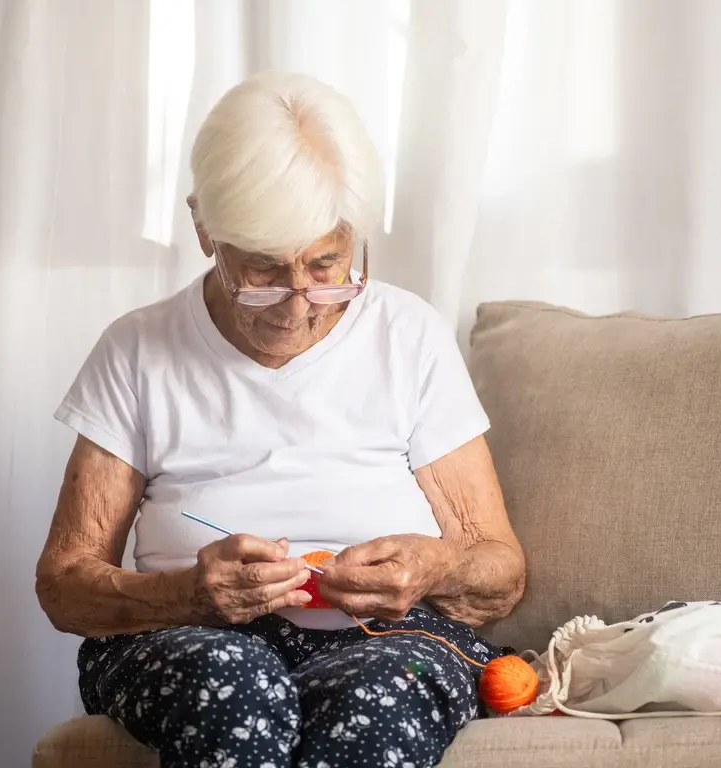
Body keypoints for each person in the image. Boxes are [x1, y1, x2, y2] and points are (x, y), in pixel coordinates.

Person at [35, 71, 526, 768]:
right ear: (205, 227)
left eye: (327, 266)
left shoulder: (409, 334)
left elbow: (500, 570)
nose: (301, 305)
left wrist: (435, 568)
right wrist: (185, 596)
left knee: (380, 698)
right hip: (188, 641)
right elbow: (64, 584)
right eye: (263, 275)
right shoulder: (138, 348)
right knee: (235, 686)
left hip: (387, 639)